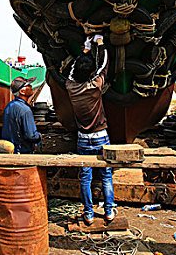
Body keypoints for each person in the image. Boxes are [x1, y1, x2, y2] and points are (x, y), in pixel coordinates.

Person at [66, 34, 115, 225]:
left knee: (85, 178)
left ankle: (88, 213)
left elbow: (72, 71)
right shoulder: (95, 86)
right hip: (101, 135)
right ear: (90, 74)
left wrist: (84, 51)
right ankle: (109, 211)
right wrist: (100, 44)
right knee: (106, 174)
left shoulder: (70, 86)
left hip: (83, 138)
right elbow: (104, 65)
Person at [1, 76, 42, 154]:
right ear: (22, 91)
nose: (31, 87)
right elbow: (31, 136)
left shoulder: (9, 106)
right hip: (22, 152)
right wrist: (39, 136)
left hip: (9, 151)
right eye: (28, 85)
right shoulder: (25, 110)